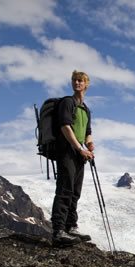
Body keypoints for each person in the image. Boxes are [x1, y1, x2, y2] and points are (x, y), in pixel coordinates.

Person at [51, 70, 95, 247]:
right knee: (65, 189)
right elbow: (65, 126)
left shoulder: (85, 109)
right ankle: (58, 231)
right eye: (74, 80)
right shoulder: (67, 102)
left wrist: (89, 145)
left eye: (80, 81)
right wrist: (79, 148)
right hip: (66, 151)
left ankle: (71, 226)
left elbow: (88, 132)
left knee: (75, 191)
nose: (77, 83)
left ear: (86, 84)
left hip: (79, 154)